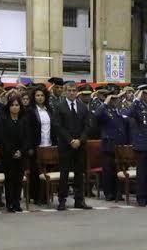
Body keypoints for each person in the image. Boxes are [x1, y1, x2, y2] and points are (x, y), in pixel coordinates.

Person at [54, 82, 92, 211]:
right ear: (65, 91)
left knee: (79, 174)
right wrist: (70, 140)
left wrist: (80, 140)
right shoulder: (59, 106)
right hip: (66, 145)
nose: (72, 93)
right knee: (64, 174)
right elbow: (58, 126)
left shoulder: (82, 107)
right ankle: (62, 200)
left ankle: (79, 200)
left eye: (74, 90)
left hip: (80, 146)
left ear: (77, 92)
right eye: (69, 90)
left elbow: (87, 126)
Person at [95, 92, 131, 202]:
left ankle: (118, 193)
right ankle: (109, 193)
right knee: (108, 171)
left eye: (117, 99)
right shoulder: (104, 110)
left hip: (120, 145)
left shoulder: (121, 110)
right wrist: (105, 103)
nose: (115, 101)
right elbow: (97, 115)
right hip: (108, 145)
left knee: (119, 170)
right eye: (112, 99)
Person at [0, 94, 30, 212]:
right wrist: (12, 152)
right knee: (10, 179)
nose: (15, 107)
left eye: (17, 105)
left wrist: (21, 151)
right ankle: (9, 203)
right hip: (8, 155)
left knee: (19, 179)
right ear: (9, 107)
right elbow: (2, 138)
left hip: (21, 155)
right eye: (12, 105)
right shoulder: (3, 119)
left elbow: (27, 138)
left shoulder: (24, 120)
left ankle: (17, 203)